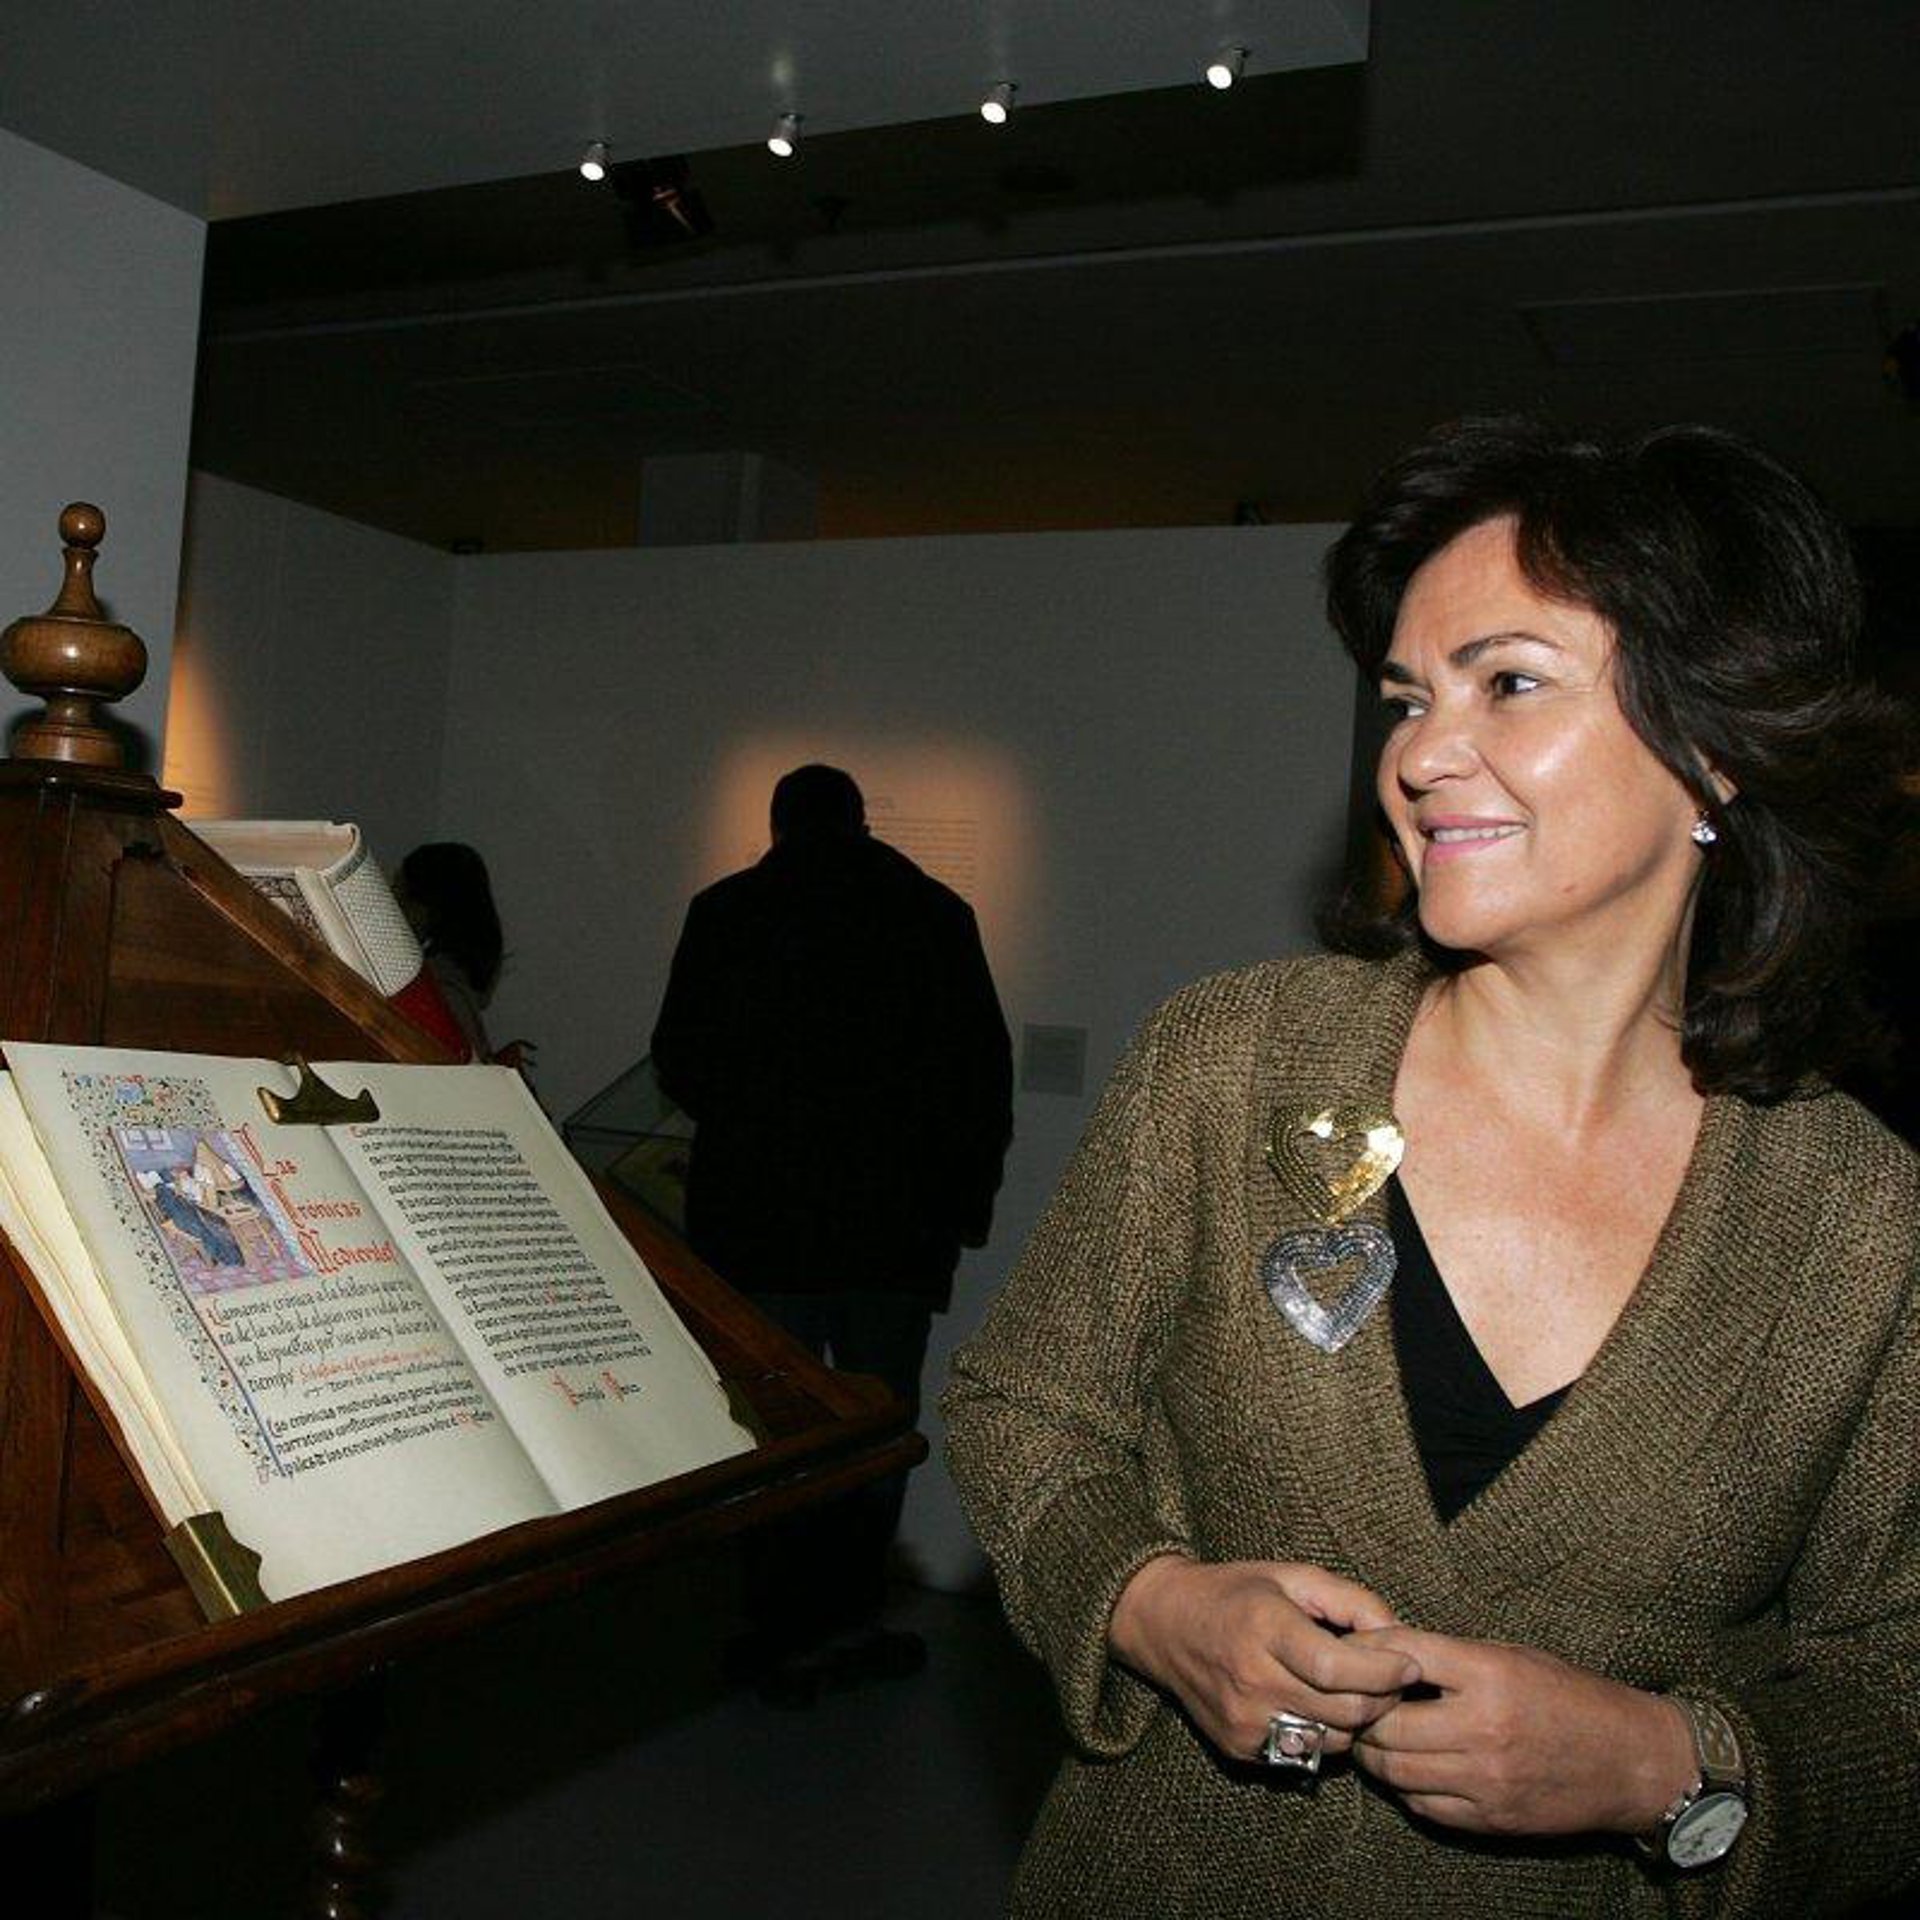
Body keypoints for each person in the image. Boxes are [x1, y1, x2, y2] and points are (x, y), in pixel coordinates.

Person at [944, 418, 1919, 1915]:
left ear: (1716, 747)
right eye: (1407, 698)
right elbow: (1024, 1409)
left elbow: (1894, 1689)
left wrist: (1666, 1763)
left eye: (1507, 683)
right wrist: (1150, 1604)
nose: (1414, 755)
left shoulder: (1859, 1220)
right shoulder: (1236, 1062)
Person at [652, 763, 1013, 1701]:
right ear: (861, 822)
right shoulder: (935, 917)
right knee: (876, 1429)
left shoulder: (728, 913)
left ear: (780, 827)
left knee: (772, 1429)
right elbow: (981, 1076)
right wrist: (961, 1206)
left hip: (761, 1227)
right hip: (894, 1233)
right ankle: (850, 1619)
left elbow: (679, 1058)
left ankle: (775, 1622)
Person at [394, 841, 534, 1070]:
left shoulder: (437, 991)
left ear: (425, 906)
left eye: (400, 895)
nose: (393, 906)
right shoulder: (453, 988)